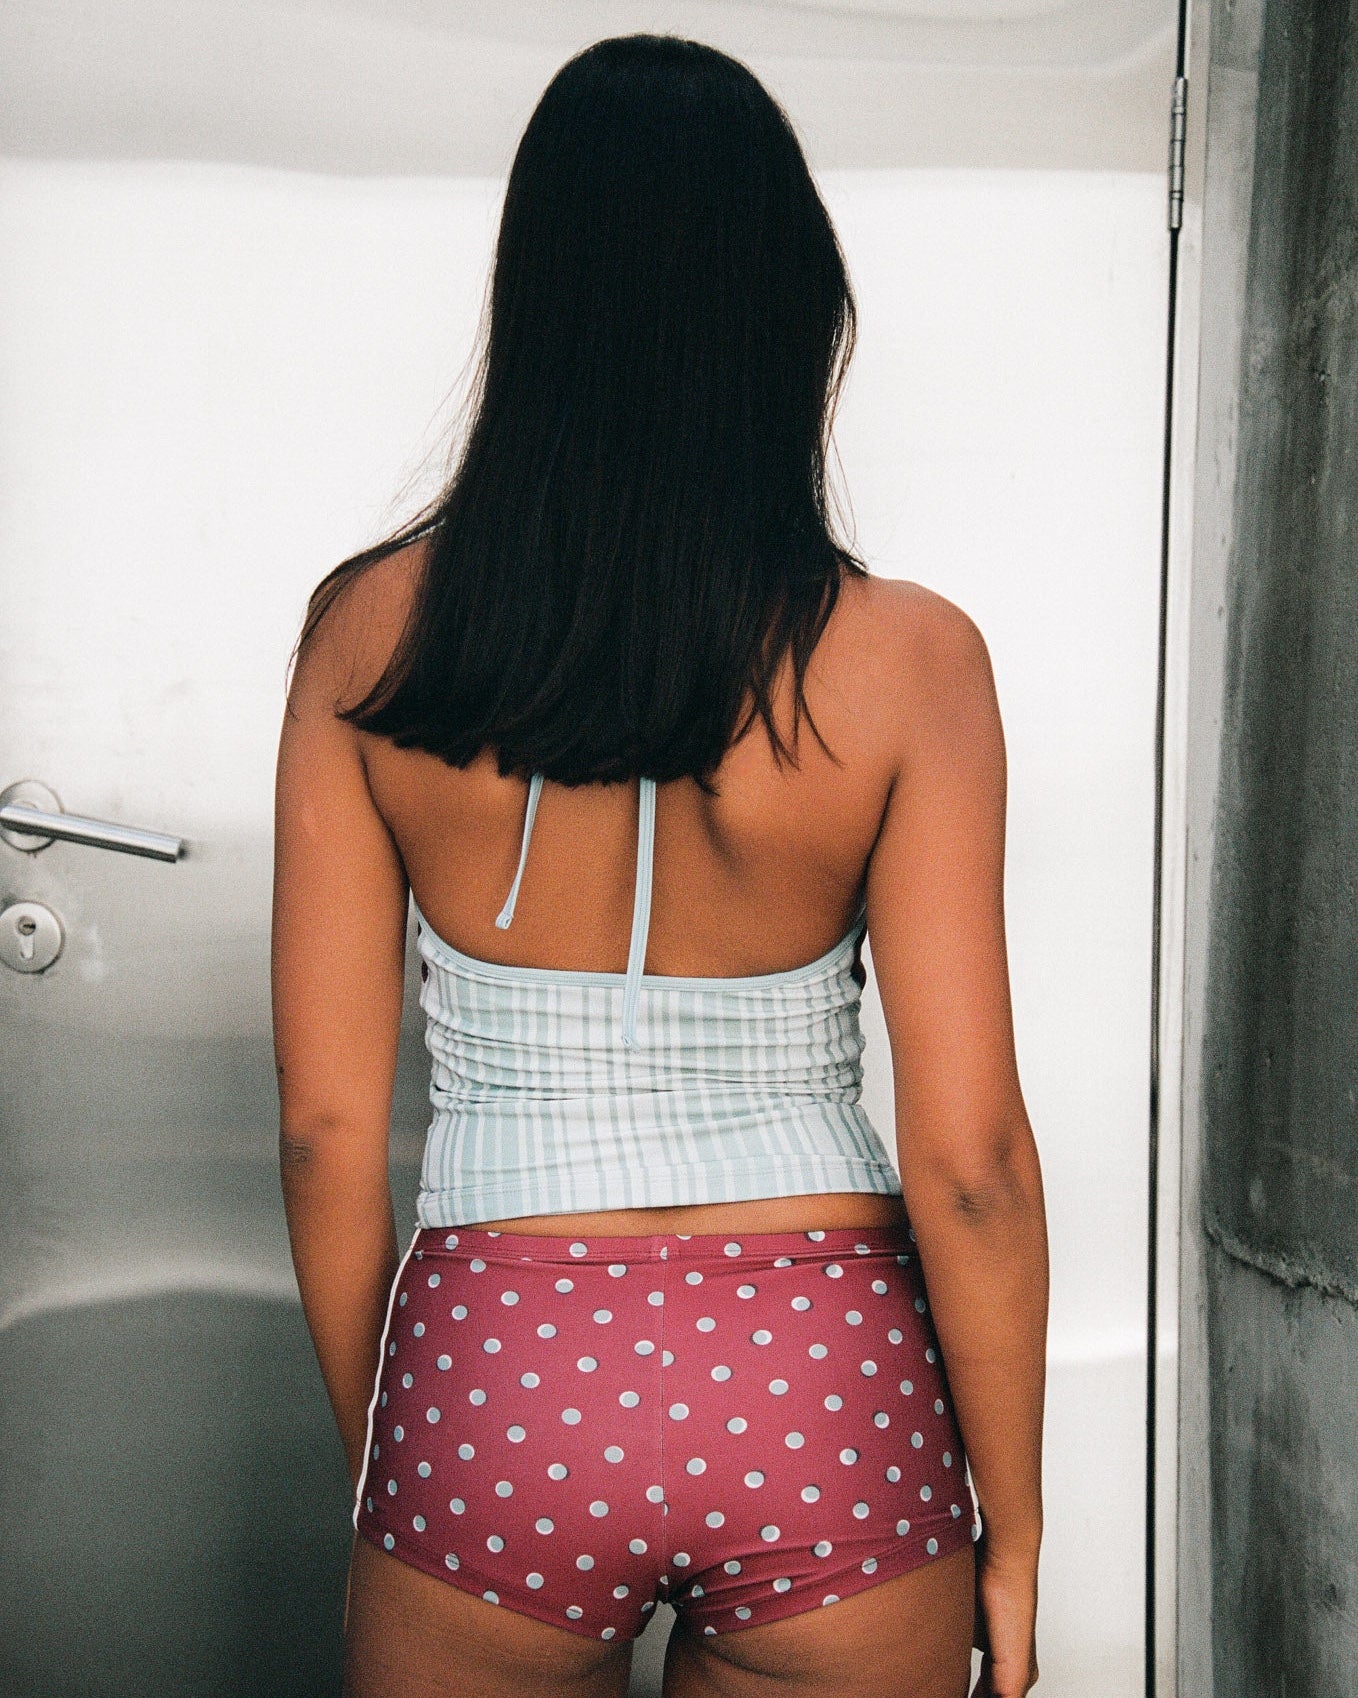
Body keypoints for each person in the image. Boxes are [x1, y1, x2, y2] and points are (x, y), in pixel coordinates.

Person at [272, 32, 1047, 1698]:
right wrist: (1019, 1531)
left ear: (535, 309)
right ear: (791, 318)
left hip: (498, 1368)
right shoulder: (909, 662)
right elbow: (970, 1154)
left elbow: (329, 1130)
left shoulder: (366, 637)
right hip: (821, 1383)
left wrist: (400, 1463)